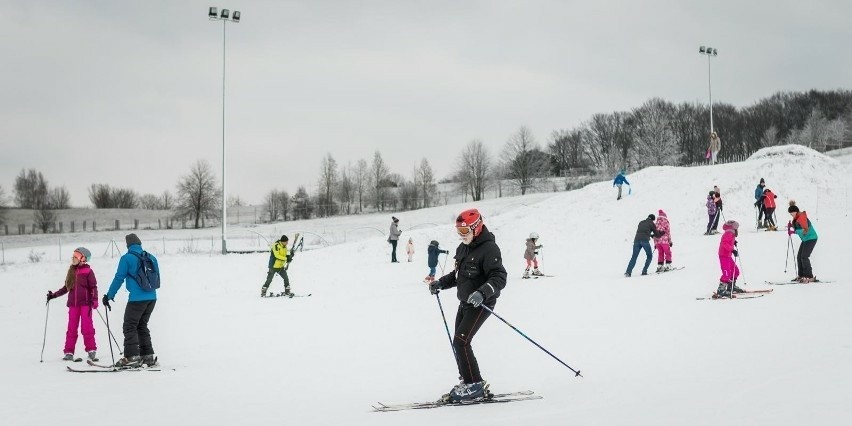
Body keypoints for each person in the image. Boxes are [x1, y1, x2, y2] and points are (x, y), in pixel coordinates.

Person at [428, 208, 507, 403]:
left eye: (465, 232)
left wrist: (483, 292)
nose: (461, 236)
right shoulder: (462, 248)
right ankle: (469, 381)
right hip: (464, 303)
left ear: (476, 227)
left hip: (482, 304)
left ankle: (475, 385)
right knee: (459, 343)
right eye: (459, 232)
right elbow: (458, 276)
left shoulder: (489, 249)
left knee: (461, 342)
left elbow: (499, 277)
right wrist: (441, 283)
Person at [102, 234, 159, 368]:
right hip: (152, 298)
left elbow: (119, 278)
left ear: (128, 245)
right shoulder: (151, 257)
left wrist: (109, 295)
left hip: (137, 299)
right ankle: (147, 356)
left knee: (129, 326)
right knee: (142, 326)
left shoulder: (126, 258)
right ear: (140, 243)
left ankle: (132, 357)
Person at [46, 247, 99, 362]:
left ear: (83, 259)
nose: (73, 258)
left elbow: (93, 287)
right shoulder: (71, 271)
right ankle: (69, 352)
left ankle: (91, 350)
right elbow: (66, 287)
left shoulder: (88, 271)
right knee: (71, 328)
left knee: (87, 327)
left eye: (76, 256)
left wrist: (94, 300)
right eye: (73, 255)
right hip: (73, 305)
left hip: (86, 304)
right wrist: (53, 295)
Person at [788, 201, 818, 283]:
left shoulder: (801, 217)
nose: (791, 214)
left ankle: (808, 276)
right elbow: (798, 227)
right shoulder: (796, 217)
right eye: (790, 213)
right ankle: (801, 275)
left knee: (804, 256)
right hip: (806, 239)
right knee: (799, 257)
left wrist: (794, 232)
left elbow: (805, 230)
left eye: (792, 213)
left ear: (795, 212)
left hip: (811, 238)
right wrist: (791, 227)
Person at [715, 220, 745, 297]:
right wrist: (732, 250)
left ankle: (731, 286)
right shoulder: (729, 233)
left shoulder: (730, 233)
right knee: (727, 273)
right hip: (724, 255)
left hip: (728, 255)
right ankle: (721, 290)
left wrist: (733, 241)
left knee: (735, 270)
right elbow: (724, 243)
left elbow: (727, 241)